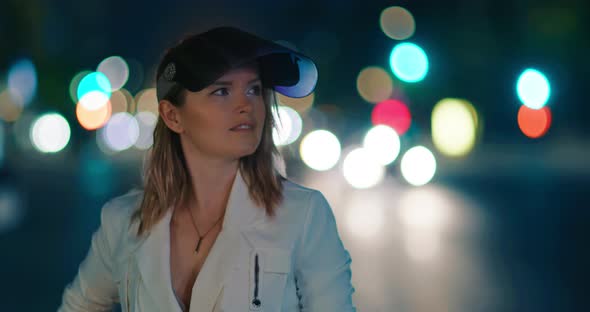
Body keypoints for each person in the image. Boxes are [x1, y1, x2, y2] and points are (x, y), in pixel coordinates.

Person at [58, 26, 356, 312]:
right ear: (173, 116)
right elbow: (80, 305)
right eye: (221, 91)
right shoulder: (123, 222)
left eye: (253, 89)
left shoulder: (304, 215)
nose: (245, 105)